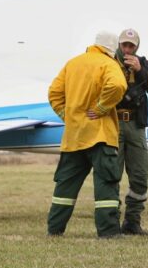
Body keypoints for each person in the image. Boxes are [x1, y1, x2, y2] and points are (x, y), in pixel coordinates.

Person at [46, 31, 127, 239]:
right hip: (100, 135)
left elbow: (54, 92)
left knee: (65, 185)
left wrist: (68, 115)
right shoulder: (108, 64)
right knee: (106, 184)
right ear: (111, 49)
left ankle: (55, 229)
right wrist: (101, 108)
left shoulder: (72, 63)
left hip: (74, 136)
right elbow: (118, 85)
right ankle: (108, 232)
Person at [88, 28, 148, 236]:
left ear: (137, 47)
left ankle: (132, 221)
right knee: (112, 173)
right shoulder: (108, 63)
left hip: (135, 126)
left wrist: (140, 71)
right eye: (124, 45)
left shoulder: (142, 62)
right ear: (118, 45)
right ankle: (111, 223)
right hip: (113, 123)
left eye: (131, 46)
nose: (127, 49)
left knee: (140, 175)